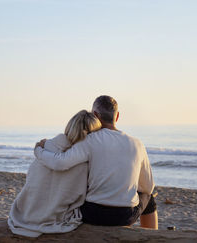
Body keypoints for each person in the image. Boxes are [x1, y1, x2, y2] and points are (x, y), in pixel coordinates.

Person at [34, 95, 158, 229]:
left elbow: (60, 163)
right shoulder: (137, 144)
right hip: (125, 216)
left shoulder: (90, 140)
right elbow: (148, 187)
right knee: (148, 197)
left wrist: (39, 150)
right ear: (117, 117)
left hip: (93, 214)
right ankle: (150, 236)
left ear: (95, 115)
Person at [8, 110, 102, 237]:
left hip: (26, 212)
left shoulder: (47, 147)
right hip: (54, 217)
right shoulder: (84, 162)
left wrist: (39, 149)